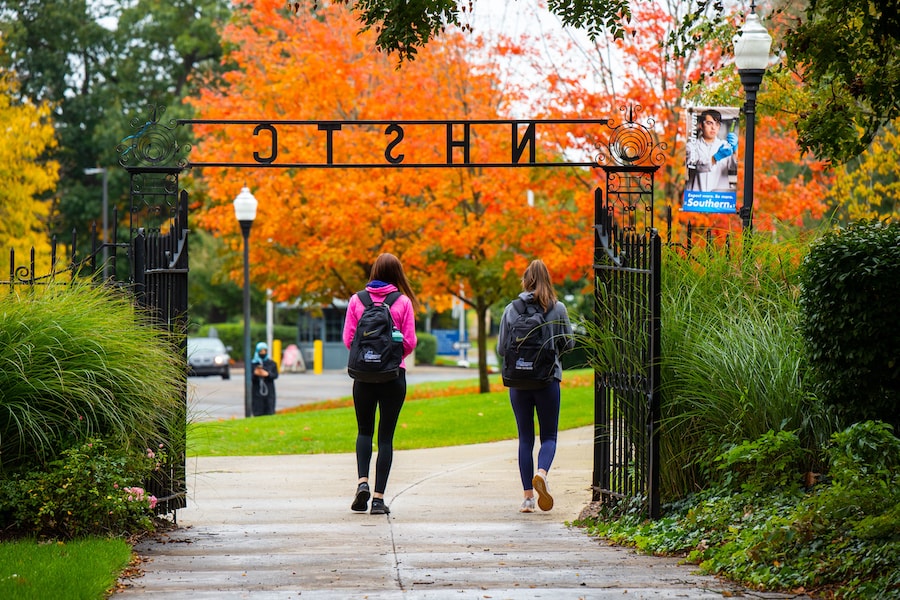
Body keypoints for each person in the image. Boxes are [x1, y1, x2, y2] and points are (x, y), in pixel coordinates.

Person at [342, 252, 418, 515]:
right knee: (385, 438)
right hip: (393, 376)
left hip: (363, 377)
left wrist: (368, 358)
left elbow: (348, 339)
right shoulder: (403, 302)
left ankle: (362, 481)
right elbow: (409, 342)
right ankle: (377, 499)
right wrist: (390, 358)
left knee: (364, 431)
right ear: (398, 274)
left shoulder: (356, 300)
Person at [497, 259, 574, 513]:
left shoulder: (511, 309)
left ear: (525, 280)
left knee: (525, 439)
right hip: (547, 379)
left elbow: (501, 348)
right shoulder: (558, 307)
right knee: (549, 435)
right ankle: (541, 472)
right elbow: (569, 344)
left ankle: (528, 499)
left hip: (518, 382)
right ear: (547, 280)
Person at [685, 109, 738, 192]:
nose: (713, 128)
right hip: (696, 198)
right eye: (709, 123)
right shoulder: (691, 146)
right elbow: (695, 166)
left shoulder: (724, 146)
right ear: (701, 125)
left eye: (717, 124)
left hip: (719, 199)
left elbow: (735, 167)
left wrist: (735, 151)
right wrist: (715, 158)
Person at [251, 341, 279, 416]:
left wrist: (267, 374)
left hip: (269, 390)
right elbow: (249, 377)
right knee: (258, 409)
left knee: (269, 409)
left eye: (264, 351)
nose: (263, 353)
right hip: (257, 391)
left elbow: (275, 375)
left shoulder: (271, 363)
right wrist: (256, 373)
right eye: (261, 351)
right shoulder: (253, 364)